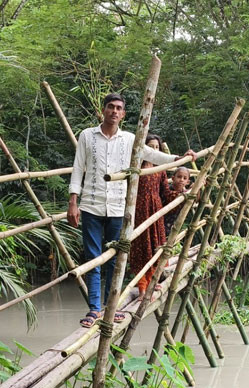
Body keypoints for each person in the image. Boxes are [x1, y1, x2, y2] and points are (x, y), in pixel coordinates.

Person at [68, 93, 195, 328]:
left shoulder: (129, 139)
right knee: (93, 258)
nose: (114, 111)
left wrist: (179, 158)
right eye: (110, 107)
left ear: (123, 114)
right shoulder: (87, 136)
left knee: (115, 260)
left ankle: (110, 307)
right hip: (90, 205)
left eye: (119, 108)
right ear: (103, 110)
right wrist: (73, 202)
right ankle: (95, 309)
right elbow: (78, 169)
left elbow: (151, 154)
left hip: (117, 207)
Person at [130, 134, 170, 300]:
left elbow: (166, 193)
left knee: (155, 246)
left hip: (155, 211)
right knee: (141, 249)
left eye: (156, 147)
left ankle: (152, 282)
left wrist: (184, 194)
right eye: (150, 147)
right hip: (139, 211)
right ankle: (142, 289)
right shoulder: (135, 168)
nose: (154, 150)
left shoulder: (160, 169)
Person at [163, 166, 191, 236]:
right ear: (173, 178)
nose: (181, 180)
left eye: (184, 178)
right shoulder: (167, 190)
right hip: (162, 222)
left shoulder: (185, 193)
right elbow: (173, 196)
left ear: (187, 182)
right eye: (179, 177)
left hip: (174, 225)